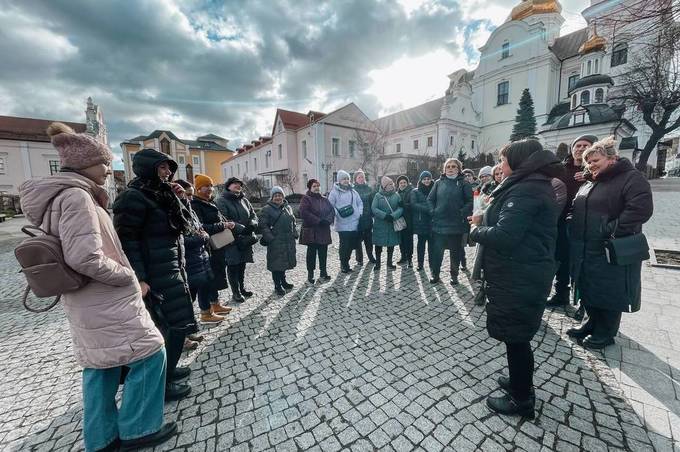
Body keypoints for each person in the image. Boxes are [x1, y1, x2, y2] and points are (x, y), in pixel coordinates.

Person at [20, 123, 175, 451]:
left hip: (87, 300)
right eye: (103, 163)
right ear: (83, 163)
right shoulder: (77, 196)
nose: (108, 169)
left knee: (100, 365)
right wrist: (127, 276)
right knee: (150, 353)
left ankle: (101, 438)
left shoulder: (64, 195)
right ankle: (138, 429)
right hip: (105, 298)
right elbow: (84, 257)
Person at [469, 139, 562, 418]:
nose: (500, 165)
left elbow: (505, 236)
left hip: (520, 274)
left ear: (519, 162)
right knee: (516, 337)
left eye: (504, 160)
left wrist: (475, 233)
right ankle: (519, 382)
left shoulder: (526, 190)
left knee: (517, 338)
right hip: (521, 272)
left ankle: (521, 399)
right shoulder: (528, 185)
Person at [113, 148, 198, 403]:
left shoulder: (165, 195)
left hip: (173, 268)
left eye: (169, 168)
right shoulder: (133, 197)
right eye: (162, 168)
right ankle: (160, 384)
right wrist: (139, 277)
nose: (168, 173)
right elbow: (127, 241)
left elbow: (188, 226)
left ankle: (169, 371)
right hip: (153, 273)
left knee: (179, 325)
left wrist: (182, 199)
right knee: (165, 329)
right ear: (148, 168)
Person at [566, 137, 653, 350]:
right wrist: (571, 219)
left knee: (609, 290)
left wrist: (611, 229)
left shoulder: (631, 178)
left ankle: (606, 332)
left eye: (595, 160)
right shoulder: (591, 181)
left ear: (612, 158)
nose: (591, 164)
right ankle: (592, 322)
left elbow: (640, 209)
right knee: (590, 286)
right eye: (588, 162)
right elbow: (578, 206)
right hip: (586, 245)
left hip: (610, 246)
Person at [547, 134, 598, 310]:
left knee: (581, 262)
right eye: (578, 145)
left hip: (584, 224)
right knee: (561, 258)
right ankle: (560, 294)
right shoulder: (561, 168)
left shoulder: (595, 170)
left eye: (585, 146)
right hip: (560, 221)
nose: (581, 149)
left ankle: (584, 303)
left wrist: (590, 177)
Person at [186, 175, 236, 320]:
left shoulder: (209, 202)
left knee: (215, 276)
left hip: (217, 246)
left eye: (211, 186)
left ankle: (215, 304)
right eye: (205, 186)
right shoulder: (196, 204)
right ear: (198, 188)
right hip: (207, 247)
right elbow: (201, 227)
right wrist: (223, 225)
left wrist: (226, 223)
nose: (209, 189)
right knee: (208, 279)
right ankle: (206, 311)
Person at [428, 158, 473, 285]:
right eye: (448, 166)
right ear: (444, 169)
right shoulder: (438, 183)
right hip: (439, 223)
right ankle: (435, 274)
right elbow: (430, 199)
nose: (451, 168)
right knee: (438, 252)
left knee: (455, 252)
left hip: (456, 224)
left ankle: (454, 276)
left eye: (454, 166)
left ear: (458, 169)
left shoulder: (464, 183)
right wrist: (433, 211)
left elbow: (470, 201)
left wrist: (461, 212)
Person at [216, 177, 259, 303]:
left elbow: (253, 214)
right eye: (235, 183)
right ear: (228, 185)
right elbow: (223, 219)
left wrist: (253, 223)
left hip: (245, 239)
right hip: (231, 240)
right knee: (233, 265)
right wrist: (241, 228)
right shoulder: (221, 201)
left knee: (242, 265)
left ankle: (242, 288)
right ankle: (236, 292)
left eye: (240, 184)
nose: (238, 185)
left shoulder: (244, 200)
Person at [260, 186, 298, 295]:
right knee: (276, 264)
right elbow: (263, 225)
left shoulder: (287, 207)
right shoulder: (266, 209)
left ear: (283, 196)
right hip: (275, 241)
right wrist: (270, 238)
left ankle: (284, 281)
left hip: (287, 240)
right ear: (272, 197)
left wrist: (294, 233)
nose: (278, 197)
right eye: (275, 195)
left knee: (284, 262)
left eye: (280, 195)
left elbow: (293, 221)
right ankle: (277, 285)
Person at [299, 179, 334, 284]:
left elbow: (331, 211)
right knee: (311, 254)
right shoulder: (306, 199)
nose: (317, 188)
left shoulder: (324, 200)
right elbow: (304, 212)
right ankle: (310, 274)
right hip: (312, 231)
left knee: (323, 253)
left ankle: (323, 272)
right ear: (310, 188)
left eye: (318, 186)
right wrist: (318, 221)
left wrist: (327, 220)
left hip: (323, 230)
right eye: (314, 186)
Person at [328, 170, 363, 273]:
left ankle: (347, 263)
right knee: (344, 245)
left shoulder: (353, 191)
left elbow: (360, 203)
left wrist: (359, 213)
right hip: (342, 224)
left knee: (351, 245)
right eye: (344, 179)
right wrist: (338, 214)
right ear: (339, 180)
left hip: (354, 223)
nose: (346, 181)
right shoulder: (334, 192)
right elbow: (330, 206)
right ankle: (343, 264)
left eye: (347, 178)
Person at [371, 176, 403, 270]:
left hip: (392, 223)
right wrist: (384, 215)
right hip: (380, 224)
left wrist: (394, 216)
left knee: (391, 245)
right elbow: (374, 208)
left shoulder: (397, 195)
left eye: (392, 183)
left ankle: (389, 262)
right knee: (378, 245)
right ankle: (378, 263)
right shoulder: (378, 196)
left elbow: (401, 208)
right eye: (389, 184)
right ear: (384, 186)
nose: (391, 185)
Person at [409, 171, 434, 271]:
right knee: (421, 245)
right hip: (421, 222)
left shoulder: (434, 189)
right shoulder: (415, 191)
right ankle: (420, 264)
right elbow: (414, 205)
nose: (426, 181)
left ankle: (432, 264)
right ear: (421, 180)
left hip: (432, 221)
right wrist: (428, 209)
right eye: (424, 179)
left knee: (432, 245)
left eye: (428, 179)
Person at [353, 170, 376, 264]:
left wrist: (372, 213)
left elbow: (373, 202)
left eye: (362, 177)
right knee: (358, 240)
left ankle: (370, 256)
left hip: (368, 217)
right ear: (355, 179)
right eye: (359, 177)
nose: (361, 179)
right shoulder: (353, 190)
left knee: (368, 239)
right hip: (357, 218)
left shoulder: (369, 189)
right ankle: (359, 259)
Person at [396, 175, 414, 267]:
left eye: (404, 182)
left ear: (407, 183)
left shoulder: (411, 192)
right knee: (401, 240)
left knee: (409, 240)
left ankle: (410, 258)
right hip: (399, 220)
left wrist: (403, 205)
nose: (402, 184)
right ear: (398, 184)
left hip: (408, 219)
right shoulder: (396, 193)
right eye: (401, 183)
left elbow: (413, 205)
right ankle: (403, 257)